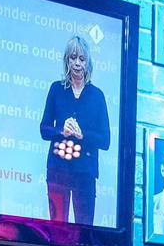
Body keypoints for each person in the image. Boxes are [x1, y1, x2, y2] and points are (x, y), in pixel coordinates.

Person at [40, 36, 111, 226]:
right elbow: (44, 129)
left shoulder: (97, 95)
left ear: (88, 62)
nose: (77, 64)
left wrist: (83, 135)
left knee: (84, 231)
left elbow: (105, 141)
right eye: (73, 58)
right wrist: (60, 130)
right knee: (57, 228)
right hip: (57, 170)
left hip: (85, 173)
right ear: (67, 60)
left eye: (81, 59)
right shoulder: (56, 89)